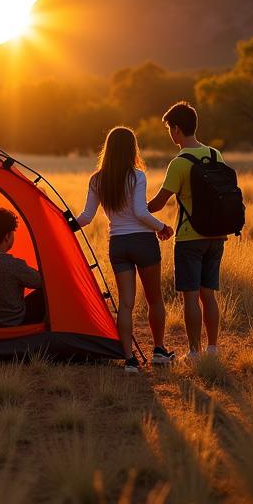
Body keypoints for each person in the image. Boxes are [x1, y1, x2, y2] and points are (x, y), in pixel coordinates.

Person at [75, 126, 176, 373]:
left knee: (126, 304)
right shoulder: (137, 176)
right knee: (154, 300)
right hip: (143, 242)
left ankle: (129, 359)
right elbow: (141, 213)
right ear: (132, 148)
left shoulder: (97, 179)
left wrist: (63, 224)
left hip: (117, 244)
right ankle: (159, 351)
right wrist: (163, 226)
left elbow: (86, 217)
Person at [148, 101, 225, 362]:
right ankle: (213, 349)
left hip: (190, 237)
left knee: (190, 298)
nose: (170, 133)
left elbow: (159, 203)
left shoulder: (179, 163)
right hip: (216, 235)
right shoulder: (215, 155)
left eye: (170, 128)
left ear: (177, 129)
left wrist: (138, 211)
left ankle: (194, 352)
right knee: (209, 295)